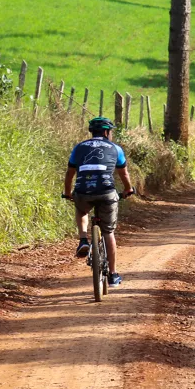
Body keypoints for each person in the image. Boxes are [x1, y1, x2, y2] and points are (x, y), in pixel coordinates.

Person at [64, 117, 135, 288]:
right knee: (108, 232)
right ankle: (113, 274)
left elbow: (70, 174)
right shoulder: (115, 148)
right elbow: (124, 175)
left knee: (82, 211)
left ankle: (83, 240)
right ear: (106, 132)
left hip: (83, 190)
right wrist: (128, 190)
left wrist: (68, 193)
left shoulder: (79, 147)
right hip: (106, 192)